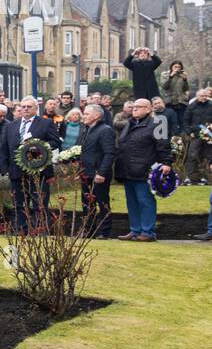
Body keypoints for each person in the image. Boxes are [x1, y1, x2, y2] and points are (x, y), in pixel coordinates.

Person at [0, 96, 62, 232]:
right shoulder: (11, 125)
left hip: (38, 170)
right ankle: (21, 229)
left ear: (36, 108)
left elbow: (55, 142)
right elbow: (4, 148)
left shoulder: (45, 123)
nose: (26, 109)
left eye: (29, 107)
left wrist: (38, 147)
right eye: (23, 107)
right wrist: (4, 168)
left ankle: (39, 230)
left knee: (39, 203)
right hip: (16, 171)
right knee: (19, 203)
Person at [114, 98, 172, 242]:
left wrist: (166, 162)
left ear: (148, 109)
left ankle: (148, 232)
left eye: (138, 107)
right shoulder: (129, 123)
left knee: (145, 201)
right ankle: (135, 230)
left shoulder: (158, 123)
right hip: (127, 169)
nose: (134, 109)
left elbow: (163, 145)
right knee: (131, 201)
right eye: (133, 107)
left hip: (145, 169)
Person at [78, 104, 116, 239]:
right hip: (86, 173)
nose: (84, 116)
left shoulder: (105, 130)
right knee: (87, 204)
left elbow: (109, 153)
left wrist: (101, 172)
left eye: (87, 114)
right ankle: (88, 230)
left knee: (102, 203)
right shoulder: (86, 130)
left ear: (97, 116)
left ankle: (105, 232)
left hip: (99, 174)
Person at [184, 87, 212, 185]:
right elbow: (186, 121)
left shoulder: (211, 105)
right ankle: (193, 179)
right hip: (195, 135)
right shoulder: (191, 106)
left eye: (205, 95)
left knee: (209, 156)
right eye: (202, 96)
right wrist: (189, 132)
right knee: (192, 156)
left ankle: (209, 179)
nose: (204, 97)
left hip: (209, 135)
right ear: (197, 96)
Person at [161, 61, 191, 130]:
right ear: (171, 67)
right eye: (175, 67)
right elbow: (164, 86)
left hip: (182, 102)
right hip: (170, 101)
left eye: (179, 67)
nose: (177, 68)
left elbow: (186, 88)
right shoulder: (165, 74)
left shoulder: (183, 75)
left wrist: (185, 79)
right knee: (172, 122)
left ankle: (182, 138)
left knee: (182, 122)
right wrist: (171, 76)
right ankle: (172, 138)